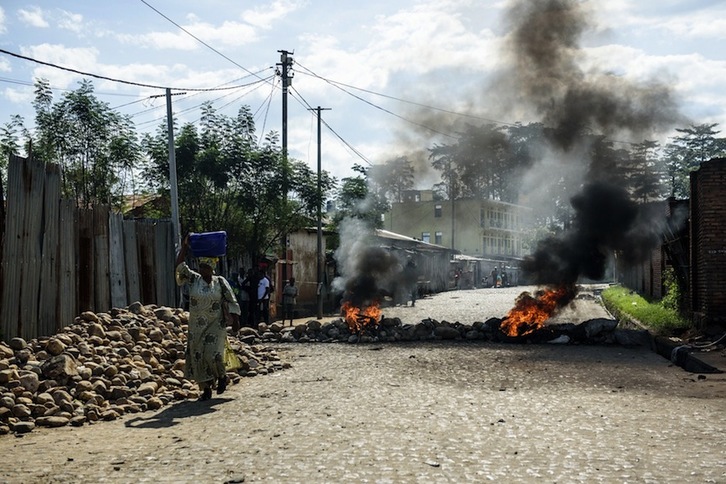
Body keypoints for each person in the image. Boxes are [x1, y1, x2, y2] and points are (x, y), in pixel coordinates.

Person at [175, 235, 240, 401]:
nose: (203, 269)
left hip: (215, 325)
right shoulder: (194, 279)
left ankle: (222, 377)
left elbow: (231, 299)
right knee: (198, 356)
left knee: (214, 354)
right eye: (201, 266)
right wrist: (185, 247)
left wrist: (236, 320)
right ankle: (206, 389)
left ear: (212, 268)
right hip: (196, 327)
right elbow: (179, 267)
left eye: (206, 267)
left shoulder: (220, 282)